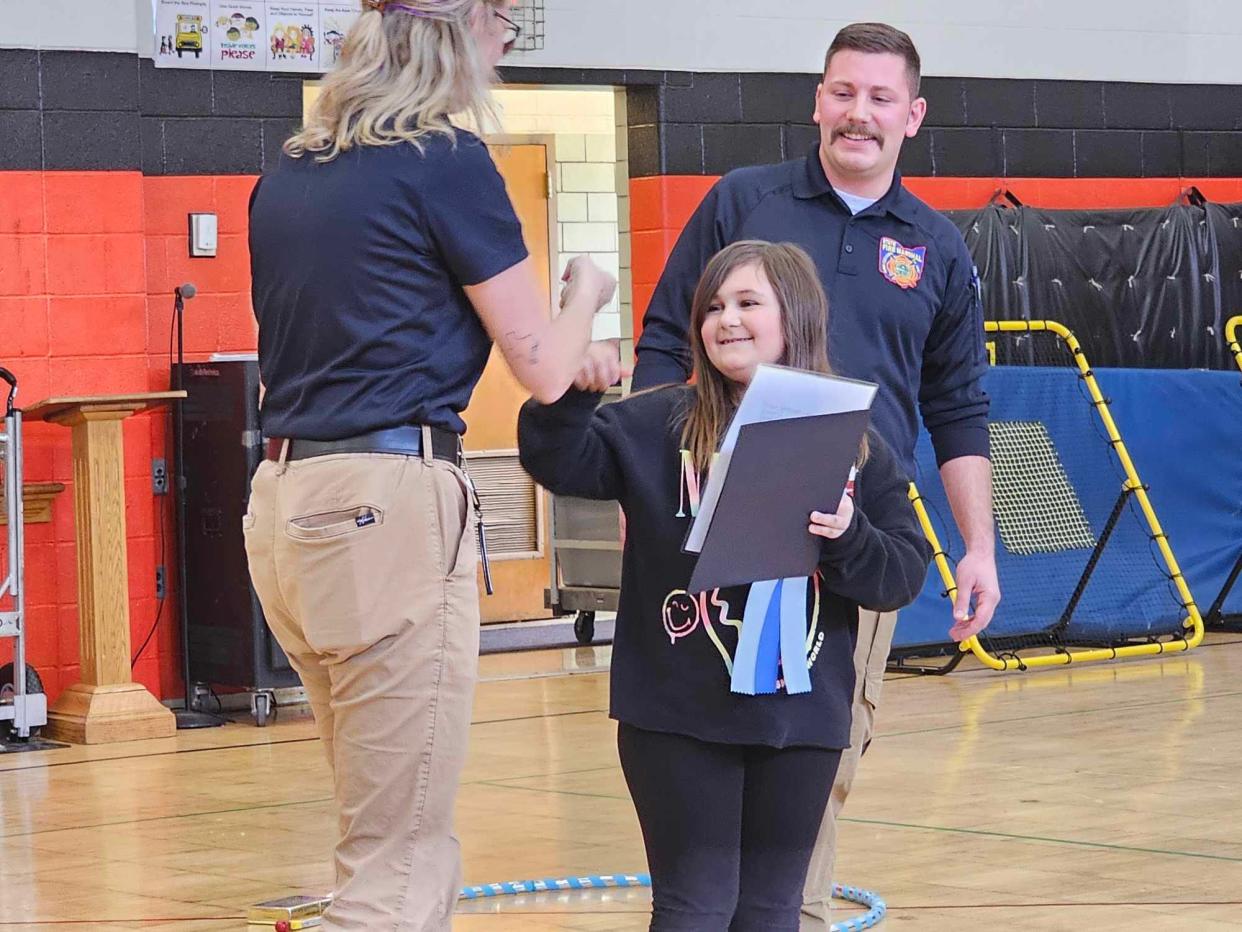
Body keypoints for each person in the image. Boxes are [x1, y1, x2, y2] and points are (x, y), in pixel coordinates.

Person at [242, 2, 616, 929]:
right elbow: (540, 366)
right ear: (457, 43)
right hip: (385, 505)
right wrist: (586, 294)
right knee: (395, 859)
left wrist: (566, 347)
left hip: (285, 502)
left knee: (386, 824)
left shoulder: (286, 172)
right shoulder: (445, 161)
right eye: (499, 31)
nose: (503, 54)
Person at [628, 23, 1001, 929]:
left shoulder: (937, 249)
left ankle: (781, 915)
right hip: (716, 539)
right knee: (698, 764)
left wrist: (978, 546)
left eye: (880, 98)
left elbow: (957, 409)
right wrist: (660, 483)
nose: (858, 114)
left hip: (846, 538)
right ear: (817, 101)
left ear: (912, 116)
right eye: (843, 92)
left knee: (819, 759)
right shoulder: (742, 200)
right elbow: (661, 346)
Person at [519, 241, 932, 931]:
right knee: (697, 907)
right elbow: (560, 461)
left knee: (772, 912)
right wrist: (572, 397)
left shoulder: (854, 442)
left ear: (794, 318)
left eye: (747, 304)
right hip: (680, 717)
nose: (726, 320)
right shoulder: (657, 423)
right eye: (713, 306)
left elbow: (902, 572)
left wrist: (851, 535)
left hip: (801, 721)